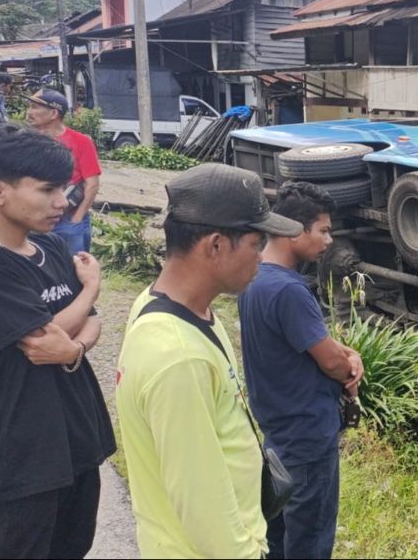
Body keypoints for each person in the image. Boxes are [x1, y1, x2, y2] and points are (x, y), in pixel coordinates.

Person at [115, 163, 304, 559]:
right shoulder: (177, 357)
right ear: (215, 245)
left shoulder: (172, 307)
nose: (263, 257)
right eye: (256, 244)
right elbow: (199, 499)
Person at [0, 124, 116, 558]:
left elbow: (90, 327)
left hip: (76, 441)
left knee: (74, 547)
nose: (63, 202)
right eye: (47, 189)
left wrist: (75, 349)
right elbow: (41, 339)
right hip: (22, 456)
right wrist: (88, 292)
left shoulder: (49, 248)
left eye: (64, 189)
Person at [239, 182, 364, 559]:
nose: (329, 240)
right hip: (308, 436)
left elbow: (311, 342)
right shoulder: (291, 291)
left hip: (277, 433)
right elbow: (329, 361)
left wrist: (344, 353)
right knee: (310, 540)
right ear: (296, 229)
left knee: (277, 537)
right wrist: (350, 368)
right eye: (323, 230)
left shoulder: (255, 278)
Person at [25, 89, 101, 254]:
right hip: (34, 218)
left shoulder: (81, 142)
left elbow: (92, 183)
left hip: (68, 220)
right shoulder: (27, 141)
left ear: (53, 113)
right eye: (29, 107)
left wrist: (77, 218)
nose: (29, 112)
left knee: (73, 269)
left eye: (35, 107)